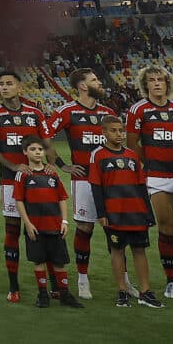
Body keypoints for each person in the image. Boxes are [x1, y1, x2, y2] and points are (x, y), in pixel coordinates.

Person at [124, 66, 173, 300]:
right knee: (167, 226)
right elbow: (132, 145)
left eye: (160, 80)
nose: (156, 83)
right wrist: (151, 162)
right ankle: (171, 281)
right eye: (151, 80)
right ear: (145, 85)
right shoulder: (138, 110)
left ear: (167, 83)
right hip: (158, 177)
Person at [0, 70, 49, 302]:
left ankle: (49, 285)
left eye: (9, 83)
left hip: (37, 181)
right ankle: (13, 285)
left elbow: (47, 144)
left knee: (42, 230)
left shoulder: (35, 113)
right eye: (1, 84)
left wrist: (53, 165)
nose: (4, 87)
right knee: (12, 230)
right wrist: (14, 166)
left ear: (19, 87)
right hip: (10, 181)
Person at [51, 69, 118, 301]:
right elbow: (43, 135)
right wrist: (62, 165)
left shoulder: (108, 113)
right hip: (83, 180)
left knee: (115, 230)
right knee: (85, 229)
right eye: (94, 80)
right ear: (82, 85)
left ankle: (123, 280)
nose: (99, 83)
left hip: (110, 180)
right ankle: (82, 279)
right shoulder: (67, 111)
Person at [92, 117, 161, 308]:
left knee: (139, 250)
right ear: (104, 132)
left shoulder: (132, 155)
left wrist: (148, 213)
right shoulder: (98, 155)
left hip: (136, 211)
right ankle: (122, 291)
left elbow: (141, 186)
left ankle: (145, 291)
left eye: (121, 130)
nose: (119, 134)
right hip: (114, 213)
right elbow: (96, 186)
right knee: (117, 250)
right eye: (113, 130)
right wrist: (101, 213)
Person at [12, 137, 78, 309]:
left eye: (40, 150)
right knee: (39, 260)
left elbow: (62, 198)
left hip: (55, 225)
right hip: (35, 226)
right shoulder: (23, 175)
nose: (37, 152)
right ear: (25, 152)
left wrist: (64, 221)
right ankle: (42, 294)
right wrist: (27, 223)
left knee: (59, 262)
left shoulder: (52, 173)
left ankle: (64, 294)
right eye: (33, 149)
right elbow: (19, 200)